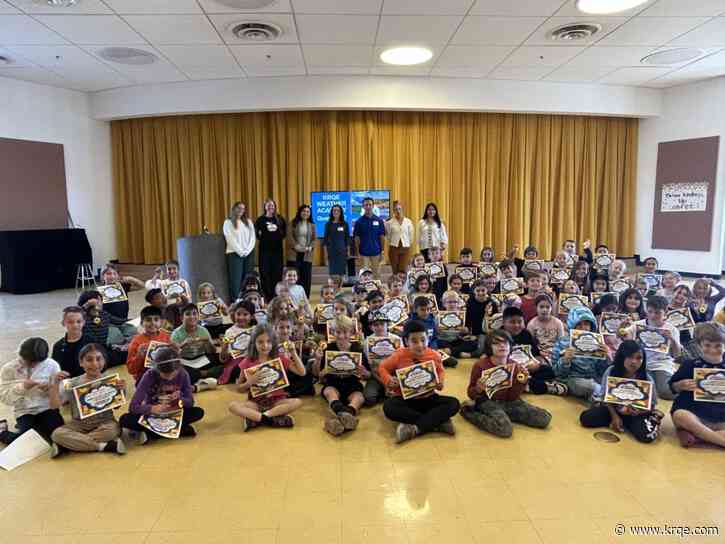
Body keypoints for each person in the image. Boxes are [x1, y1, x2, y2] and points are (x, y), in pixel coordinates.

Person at [378, 320, 460, 443]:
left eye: (423, 340)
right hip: (405, 399)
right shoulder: (399, 355)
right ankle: (436, 422)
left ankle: (415, 428)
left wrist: (440, 382)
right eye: (414, 341)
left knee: (454, 403)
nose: (420, 345)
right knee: (388, 407)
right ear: (406, 341)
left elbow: (440, 371)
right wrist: (389, 380)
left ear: (428, 339)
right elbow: (382, 367)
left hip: (429, 397)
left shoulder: (434, 355)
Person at [461, 329, 551, 438]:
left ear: (510, 346)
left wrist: (521, 383)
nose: (502, 346)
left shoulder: (515, 365)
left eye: (505, 343)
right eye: (496, 343)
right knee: (504, 429)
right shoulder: (480, 365)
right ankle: (469, 412)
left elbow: (513, 396)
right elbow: (471, 393)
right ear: (489, 347)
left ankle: (505, 415)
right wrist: (478, 389)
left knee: (545, 418)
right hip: (488, 401)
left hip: (510, 402)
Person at [48, 343, 127, 457]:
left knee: (113, 430)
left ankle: (68, 445)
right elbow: (55, 406)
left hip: (105, 422)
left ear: (104, 361)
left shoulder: (110, 380)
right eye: (89, 360)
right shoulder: (72, 383)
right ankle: (104, 446)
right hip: (79, 424)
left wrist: (122, 390)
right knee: (57, 434)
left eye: (99, 359)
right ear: (81, 362)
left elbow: (117, 406)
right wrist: (55, 384)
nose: (95, 364)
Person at [579, 340, 662, 444]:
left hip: (637, 415)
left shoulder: (647, 378)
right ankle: (619, 422)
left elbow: (652, 404)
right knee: (586, 418)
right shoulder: (611, 371)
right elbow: (605, 397)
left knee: (647, 436)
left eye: (639, 358)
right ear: (622, 356)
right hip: (613, 409)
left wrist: (640, 412)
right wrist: (615, 416)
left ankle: (653, 419)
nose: (634, 362)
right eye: (630, 357)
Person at [119, 345, 204, 443]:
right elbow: (133, 407)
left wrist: (180, 399)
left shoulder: (183, 374)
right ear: (157, 369)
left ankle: (151, 433)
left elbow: (190, 403)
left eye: (173, 374)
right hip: (152, 415)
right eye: (165, 375)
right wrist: (151, 408)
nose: (169, 378)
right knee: (125, 419)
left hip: (174, 412)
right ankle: (180, 429)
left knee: (198, 412)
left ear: (178, 368)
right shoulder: (149, 375)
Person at [228, 324, 304, 431]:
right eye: (260, 342)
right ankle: (271, 420)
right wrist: (249, 383)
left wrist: (293, 353)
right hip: (255, 403)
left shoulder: (278, 358)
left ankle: (257, 418)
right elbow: (238, 388)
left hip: (276, 402)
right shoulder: (247, 361)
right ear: (254, 343)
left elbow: (302, 372)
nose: (265, 345)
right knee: (233, 406)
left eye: (269, 342)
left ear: (273, 343)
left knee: (297, 402)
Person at [312, 315, 370, 436]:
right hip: (333, 384)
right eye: (338, 332)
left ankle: (336, 421)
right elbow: (317, 374)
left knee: (359, 397)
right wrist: (318, 362)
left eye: (345, 332)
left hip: (352, 384)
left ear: (352, 333)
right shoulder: (328, 349)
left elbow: (368, 375)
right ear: (332, 332)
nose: (342, 336)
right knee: (329, 392)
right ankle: (348, 417)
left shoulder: (357, 349)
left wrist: (364, 372)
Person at [669, 323, 725, 448]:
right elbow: (672, 387)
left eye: (718, 346)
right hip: (695, 413)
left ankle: (699, 437)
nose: (712, 349)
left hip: (721, 417)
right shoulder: (690, 364)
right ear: (699, 345)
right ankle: (719, 440)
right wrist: (680, 385)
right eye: (707, 345)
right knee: (680, 415)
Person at [0, 338, 64, 445]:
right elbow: (5, 399)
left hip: (46, 407)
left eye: (37, 363)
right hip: (24, 411)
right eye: (28, 362)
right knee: (26, 442)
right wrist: (22, 388)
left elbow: (60, 395)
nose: (32, 365)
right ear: (21, 355)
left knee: (57, 434)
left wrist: (51, 389)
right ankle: (2, 432)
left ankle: (31, 426)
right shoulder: (9, 369)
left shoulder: (52, 365)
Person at [551, 307, 611, 400]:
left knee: (608, 383)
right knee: (588, 386)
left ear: (592, 326)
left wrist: (606, 357)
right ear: (572, 325)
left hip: (593, 378)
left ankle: (598, 396)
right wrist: (565, 360)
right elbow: (556, 373)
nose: (583, 328)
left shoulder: (597, 342)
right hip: (572, 379)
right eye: (578, 325)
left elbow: (601, 371)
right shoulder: (563, 342)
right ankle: (598, 396)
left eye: (586, 324)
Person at [628, 295, 680, 401]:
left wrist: (672, 339)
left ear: (665, 312)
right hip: (640, 363)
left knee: (666, 392)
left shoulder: (672, 329)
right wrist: (622, 330)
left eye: (657, 313)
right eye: (650, 311)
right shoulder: (637, 325)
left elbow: (677, 355)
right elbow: (624, 339)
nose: (652, 315)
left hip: (661, 364)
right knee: (641, 390)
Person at [502, 307, 562, 395]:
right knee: (506, 378)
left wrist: (536, 364)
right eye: (512, 322)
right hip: (508, 371)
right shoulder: (499, 336)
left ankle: (525, 384)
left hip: (527, 369)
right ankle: (537, 386)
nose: (517, 325)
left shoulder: (526, 334)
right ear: (504, 323)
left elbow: (536, 354)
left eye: (519, 322)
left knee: (550, 371)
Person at [170, 304, 221, 392]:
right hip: (185, 361)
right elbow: (173, 356)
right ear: (182, 318)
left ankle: (199, 376)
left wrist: (208, 341)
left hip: (201, 359)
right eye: (188, 314)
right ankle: (205, 374)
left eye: (194, 314)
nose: (192, 317)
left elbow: (212, 351)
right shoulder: (176, 333)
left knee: (220, 359)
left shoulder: (203, 330)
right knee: (178, 371)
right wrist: (183, 344)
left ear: (198, 316)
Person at [77, 290, 130, 367]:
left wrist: (138, 319)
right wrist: (87, 305)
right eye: (98, 301)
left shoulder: (103, 314)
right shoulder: (83, 317)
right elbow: (75, 313)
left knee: (128, 352)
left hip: (104, 348)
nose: (101, 303)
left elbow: (119, 321)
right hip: (89, 350)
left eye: (101, 300)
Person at [363, 311, 402, 407]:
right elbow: (372, 368)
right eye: (376, 325)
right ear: (371, 327)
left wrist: (392, 381)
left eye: (382, 324)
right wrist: (385, 384)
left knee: (404, 395)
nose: (379, 327)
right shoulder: (367, 342)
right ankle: (384, 393)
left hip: (394, 375)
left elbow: (401, 364)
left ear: (387, 325)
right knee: (368, 399)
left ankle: (388, 394)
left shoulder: (397, 340)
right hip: (376, 376)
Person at [126, 305, 171, 384]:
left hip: (165, 372)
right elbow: (131, 370)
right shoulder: (136, 342)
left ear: (161, 322)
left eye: (156, 319)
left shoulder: (166, 336)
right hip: (144, 376)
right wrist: (139, 355)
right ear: (141, 323)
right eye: (148, 320)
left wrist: (175, 351)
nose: (153, 323)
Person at [223, 201, 256, 302]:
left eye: (243, 208)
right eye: (239, 208)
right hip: (234, 254)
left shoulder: (248, 222)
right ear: (234, 209)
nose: (241, 210)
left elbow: (253, 238)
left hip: (248, 253)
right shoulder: (228, 222)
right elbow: (230, 238)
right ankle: (236, 302)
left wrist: (248, 250)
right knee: (235, 280)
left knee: (248, 279)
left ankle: (247, 300)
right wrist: (241, 251)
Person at [255, 198, 287, 302]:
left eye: (272, 205)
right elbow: (257, 234)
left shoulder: (280, 219)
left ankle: (276, 296)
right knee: (265, 273)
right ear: (265, 207)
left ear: (275, 207)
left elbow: (284, 233)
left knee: (277, 273)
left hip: (277, 251)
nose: (270, 207)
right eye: (268, 205)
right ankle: (266, 297)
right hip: (264, 251)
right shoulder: (260, 220)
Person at [52, 306, 91, 378]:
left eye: (78, 321)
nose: (75, 325)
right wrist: (58, 374)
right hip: (69, 383)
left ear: (84, 322)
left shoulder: (91, 341)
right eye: (70, 322)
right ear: (63, 323)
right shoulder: (58, 346)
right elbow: (55, 369)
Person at [353, 197, 386, 279]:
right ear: (363, 207)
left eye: (370, 205)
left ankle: (377, 290)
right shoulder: (359, 222)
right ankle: (365, 291)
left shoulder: (379, 221)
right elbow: (357, 239)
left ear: (373, 206)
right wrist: (357, 253)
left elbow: (382, 237)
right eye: (366, 205)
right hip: (363, 253)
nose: (368, 206)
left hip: (376, 252)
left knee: (376, 274)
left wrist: (382, 251)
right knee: (364, 275)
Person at [287, 204, 316, 297]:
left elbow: (314, 239)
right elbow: (289, 236)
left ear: (310, 213)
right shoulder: (293, 223)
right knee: (294, 277)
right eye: (304, 211)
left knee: (306, 278)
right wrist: (296, 246)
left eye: (308, 211)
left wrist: (310, 247)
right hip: (294, 254)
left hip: (307, 254)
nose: (305, 213)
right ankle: (293, 297)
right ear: (300, 212)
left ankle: (305, 298)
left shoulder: (312, 225)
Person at [527, 294, 565, 362]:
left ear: (551, 308)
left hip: (556, 354)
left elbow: (561, 342)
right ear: (536, 307)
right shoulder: (531, 324)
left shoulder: (558, 323)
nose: (544, 310)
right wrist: (539, 354)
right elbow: (530, 345)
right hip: (539, 355)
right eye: (541, 307)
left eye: (548, 307)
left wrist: (555, 353)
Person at [385, 200, 414, 275]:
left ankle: (403, 286)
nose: (398, 211)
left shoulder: (408, 221)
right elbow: (388, 236)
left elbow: (411, 235)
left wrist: (407, 243)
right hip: (393, 248)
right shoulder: (389, 223)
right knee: (395, 270)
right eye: (395, 209)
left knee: (403, 270)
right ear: (393, 211)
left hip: (405, 248)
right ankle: (395, 285)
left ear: (402, 209)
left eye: (399, 209)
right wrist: (393, 242)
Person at [322, 204, 351, 277]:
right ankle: (333, 288)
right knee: (332, 273)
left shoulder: (345, 224)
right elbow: (325, 240)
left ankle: (339, 288)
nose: (336, 212)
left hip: (342, 252)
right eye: (334, 210)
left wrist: (348, 251)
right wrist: (325, 254)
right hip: (331, 252)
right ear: (331, 212)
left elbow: (347, 239)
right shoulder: (328, 224)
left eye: (338, 210)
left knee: (341, 273)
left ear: (341, 212)